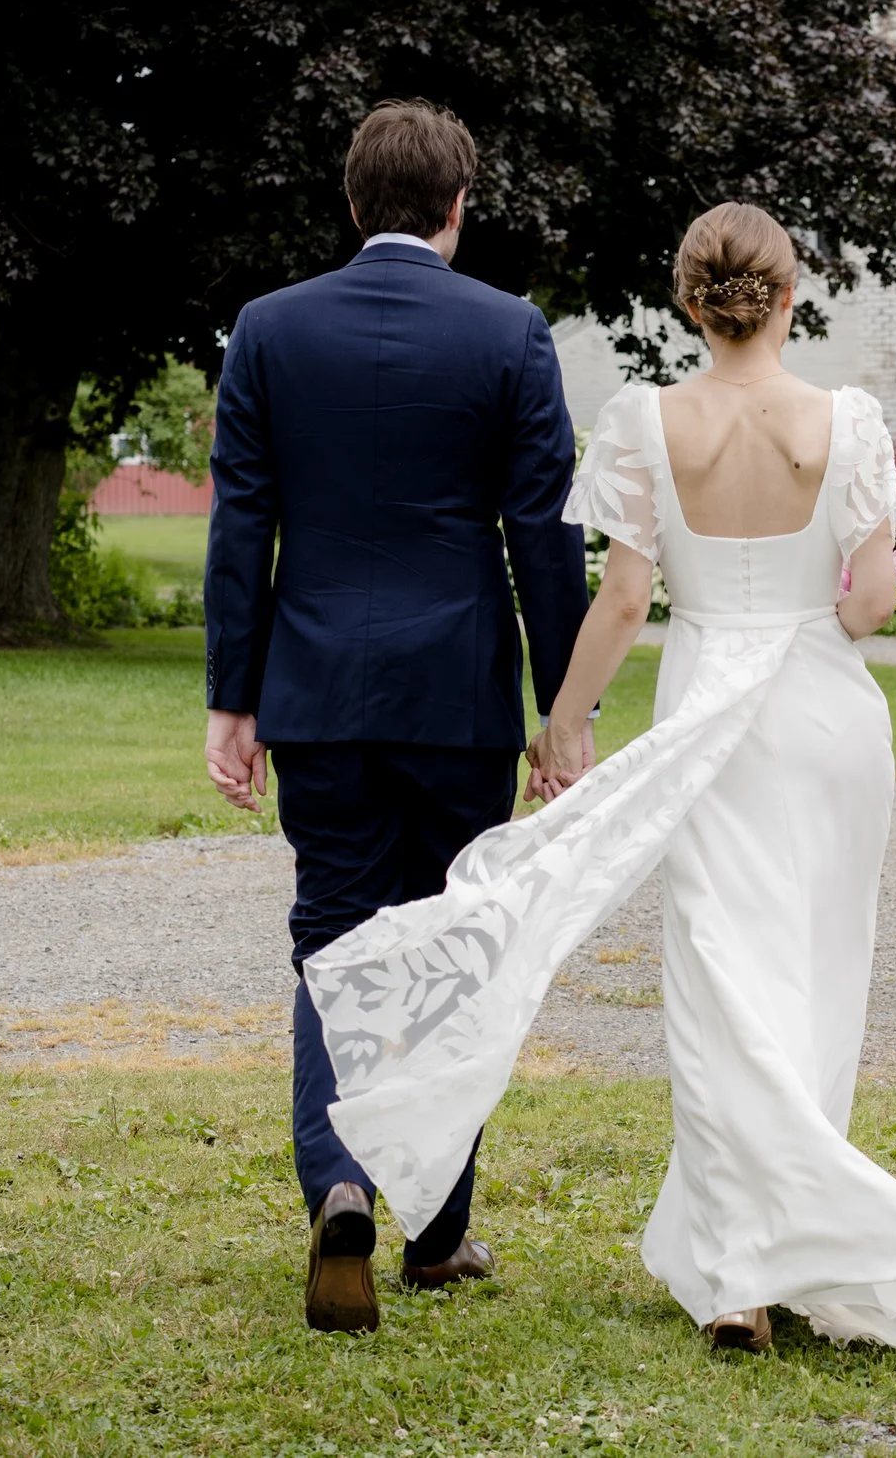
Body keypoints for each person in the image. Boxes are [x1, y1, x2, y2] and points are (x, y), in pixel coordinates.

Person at [300, 202, 896, 1359]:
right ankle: (775, 1245)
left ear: (691, 303)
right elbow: (870, 602)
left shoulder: (646, 419)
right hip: (824, 710)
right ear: (790, 296)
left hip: (708, 708)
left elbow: (629, 596)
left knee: (714, 974)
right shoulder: (847, 420)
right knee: (811, 969)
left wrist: (568, 721)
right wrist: (819, 609)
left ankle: (739, 1275)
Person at [202, 100, 592, 1334]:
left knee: (332, 936)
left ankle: (338, 1180)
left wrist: (232, 696)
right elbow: (544, 534)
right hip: (457, 695)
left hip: (316, 687)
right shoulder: (511, 332)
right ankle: (437, 1232)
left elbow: (239, 525)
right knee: (447, 950)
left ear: (352, 202)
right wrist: (560, 708)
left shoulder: (269, 330)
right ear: (458, 206)